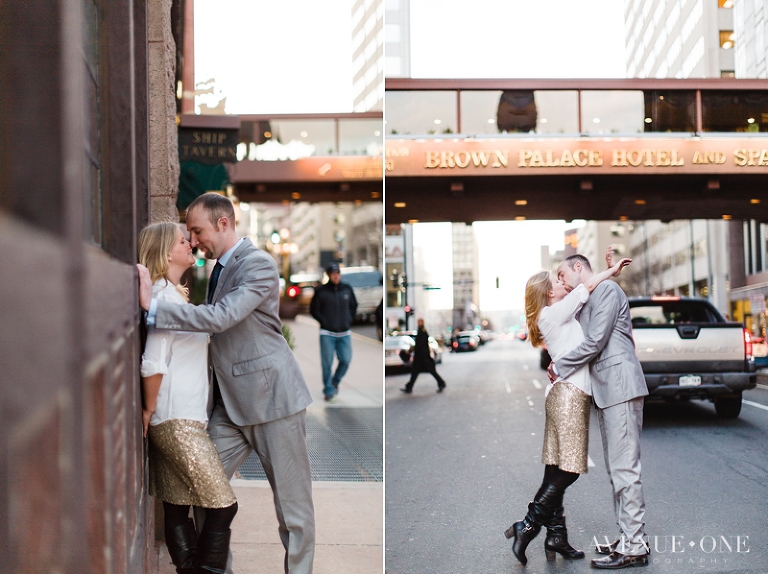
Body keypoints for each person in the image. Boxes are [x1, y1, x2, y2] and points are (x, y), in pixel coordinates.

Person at [137, 193, 315, 574]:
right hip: (228, 408)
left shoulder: (258, 265)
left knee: (294, 513)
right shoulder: (218, 268)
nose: (194, 240)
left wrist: (155, 308)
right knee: (208, 494)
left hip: (273, 401)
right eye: (189, 234)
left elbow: (221, 317)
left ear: (223, 224)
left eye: (197, 231)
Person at [505, 253, 631, 566]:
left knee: (554, 470)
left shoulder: (556, 314)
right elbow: (586, 286)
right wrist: (610, 271)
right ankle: (528, 525)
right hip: (570, 395)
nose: (562, 282)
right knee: (570, 469)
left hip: (562, 394)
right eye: (557, 280)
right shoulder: (553, 313)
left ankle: (556, 535)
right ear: (550, 292)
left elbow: (583, 295)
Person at [138, 221, 238, 574]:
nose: (190, 244)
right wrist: (149, 410)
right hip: (176, 420)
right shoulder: (163, 298)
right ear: (165, 253)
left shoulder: (170, 295)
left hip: (182, 417)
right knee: (223, 507)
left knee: (178, 505)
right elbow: (153, 362)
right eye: (183, 241)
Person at [549, 250, 650, 569]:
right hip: (609, 390)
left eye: (562, 275)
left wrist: (560, 366)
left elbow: (595, 341)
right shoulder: (593, 293)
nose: (562, 281)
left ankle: (635, 545)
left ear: (578, 266)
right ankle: (630, 536)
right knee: (617, 469)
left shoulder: (606, 291)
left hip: (620, 386)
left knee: (624, 469)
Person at [309, 262, 357, 402]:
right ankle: (328, 390)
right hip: (327, 333)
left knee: (346, 360)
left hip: (344, 333)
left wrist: (348, 320)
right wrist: (324, 321)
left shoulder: (347, 289)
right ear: (329, 275)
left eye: (338, 273)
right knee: (327, 363)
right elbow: (313, 309)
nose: (336, 276)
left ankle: (335, 382)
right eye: (333, 274)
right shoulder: (321, 291)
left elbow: (354, 306)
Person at [399, 318, 446, 394]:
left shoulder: (422, 331)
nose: (419, 323)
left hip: (423, 357)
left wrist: (411, 350)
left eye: (420, 322)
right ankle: (409, 387)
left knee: (431, 371)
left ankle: (441, 383)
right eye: (418, 322)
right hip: (420, 357)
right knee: (415, 372)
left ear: (422, 323)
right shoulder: (420, 331)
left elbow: (419, 344)